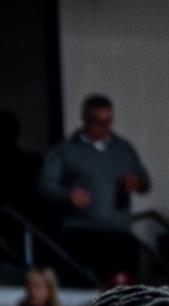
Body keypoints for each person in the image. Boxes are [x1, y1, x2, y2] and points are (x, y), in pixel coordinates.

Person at [38, 95, 149, 282]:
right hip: (81, 229)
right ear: (85, 120)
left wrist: (136, 182)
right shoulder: (65, 150)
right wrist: (67, 194)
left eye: (108, 121)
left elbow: (145, 182)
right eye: (98, 121)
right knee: (86, 283)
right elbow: (45, 184)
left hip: (118, 230)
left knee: (127, 281)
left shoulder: (123, 149)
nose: (104, 128)